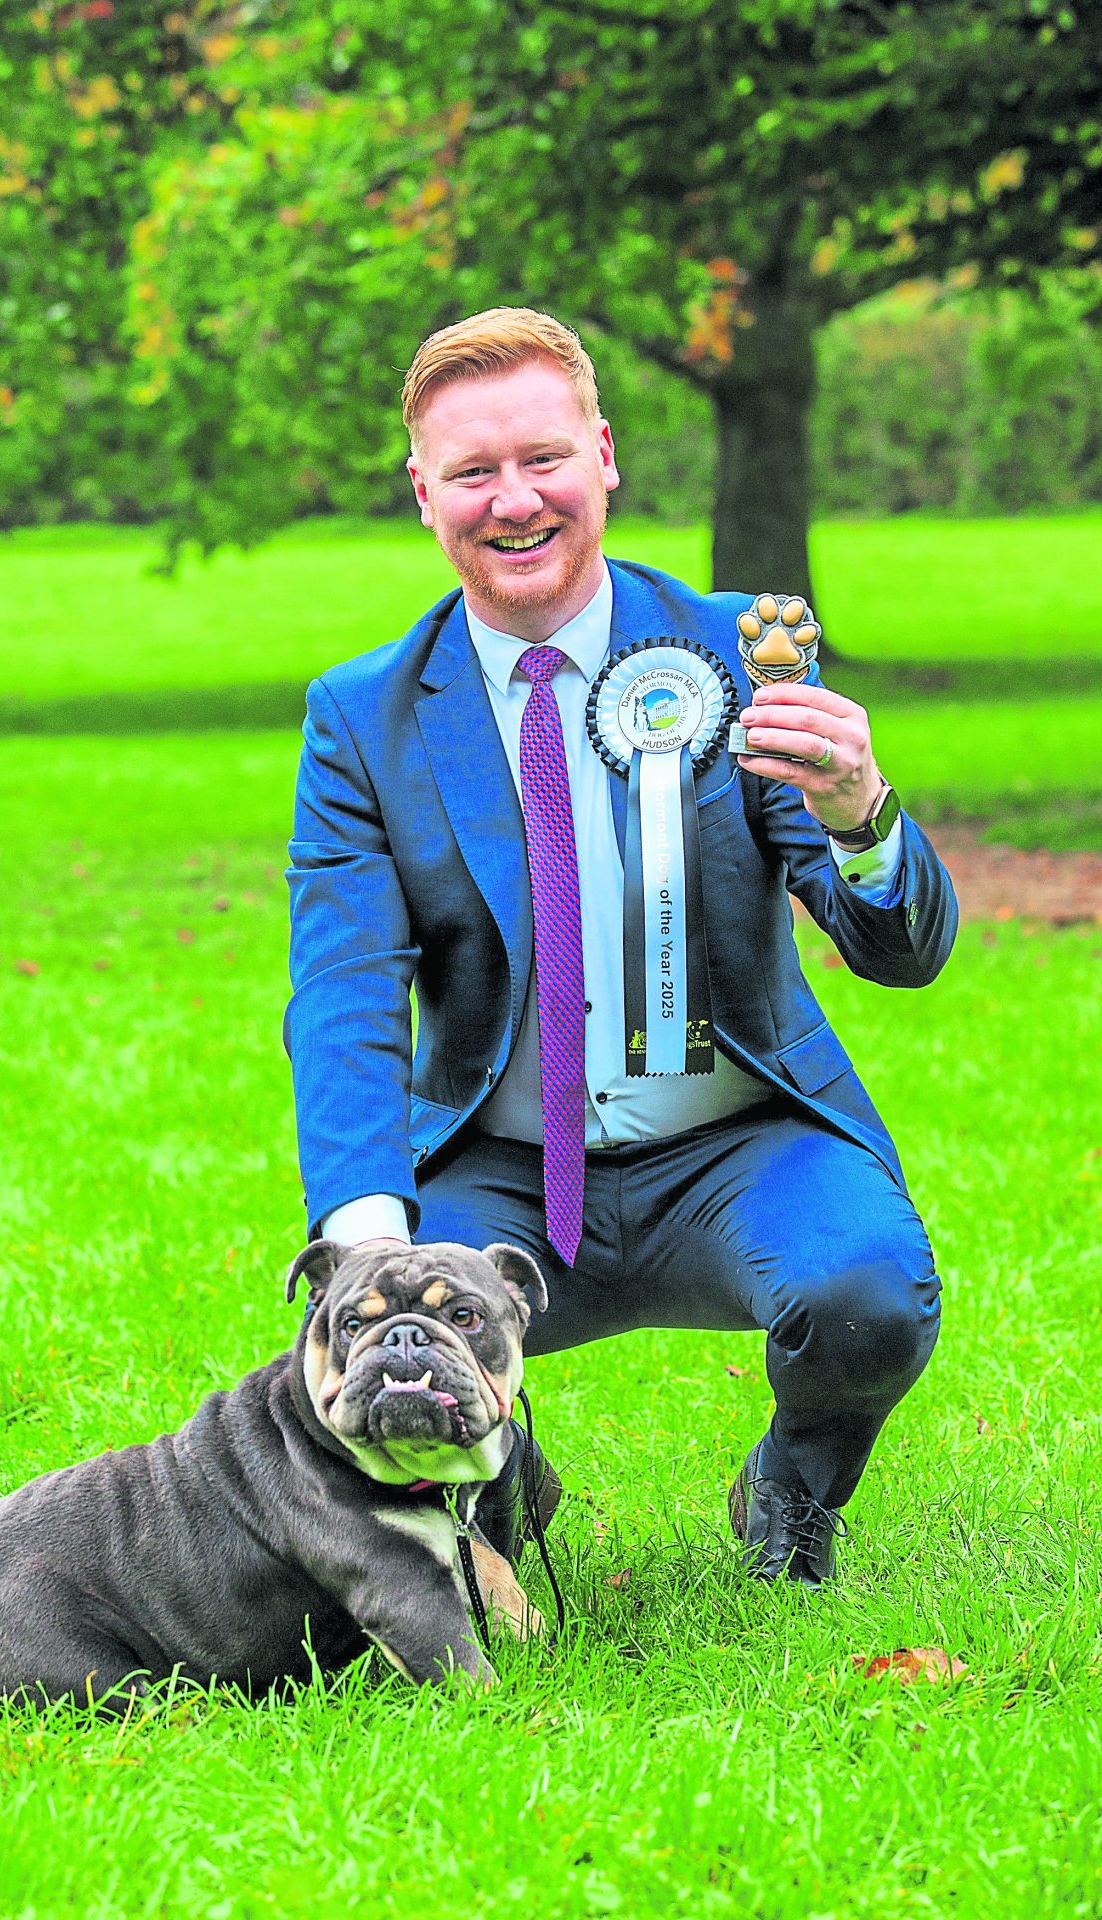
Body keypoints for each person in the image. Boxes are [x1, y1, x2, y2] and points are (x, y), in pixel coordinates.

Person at [285, 308, 957, 1587]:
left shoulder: (737, 650)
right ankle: (498, 1487)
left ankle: (789, 1494)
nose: (513, 500)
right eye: (472, 473)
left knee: (867, 1291)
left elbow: (898, 950)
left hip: (735, 1144)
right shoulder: (360, 715)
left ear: (602, 456)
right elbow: (344, 990)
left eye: (541, 458)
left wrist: (858, 812)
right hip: (503, 1166)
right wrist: (368, 1238)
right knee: (348, 1344)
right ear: (422, 493)